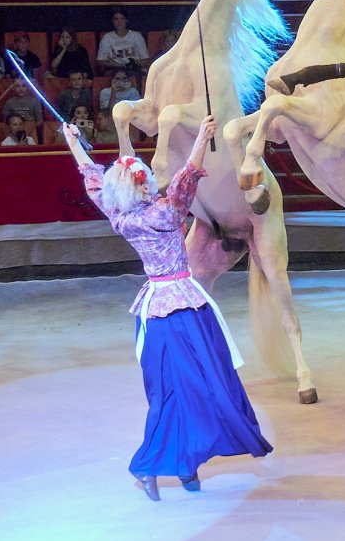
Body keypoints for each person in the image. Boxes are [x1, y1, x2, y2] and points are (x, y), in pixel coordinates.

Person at [62, 115, 272, 501]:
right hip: (180, 312)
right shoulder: (161, 214)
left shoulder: (120, 217)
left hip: (161, 310)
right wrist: (202, 139)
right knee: (193, 388)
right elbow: (186, 179)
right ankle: (153, 464)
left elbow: (92, 178)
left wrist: (71, 140)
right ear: (140, 186)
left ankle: (185, 464)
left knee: (183, 390)